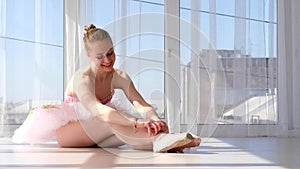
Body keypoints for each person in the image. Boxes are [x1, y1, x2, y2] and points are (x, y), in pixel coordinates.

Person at [12, 24, 201, 153]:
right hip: (70, 133)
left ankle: (166, 141)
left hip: (99, 136)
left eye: (110, 53)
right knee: (113, 121)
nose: (108, 60)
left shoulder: (119, 76)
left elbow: (141, 104)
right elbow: (100, 111)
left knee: (129, 133)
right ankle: (164, 140)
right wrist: (136, 122)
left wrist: (154, 120)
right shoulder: (82, 78)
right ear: (88, 54)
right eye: (100, 56)